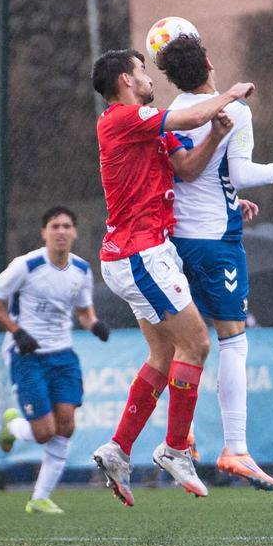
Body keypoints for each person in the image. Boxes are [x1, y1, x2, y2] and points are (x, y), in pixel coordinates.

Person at [88, 47, 254, 506]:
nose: (147, 78)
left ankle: (119, 448)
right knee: (198, 344)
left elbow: (187, 167)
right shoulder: (122, 117)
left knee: (163, 354)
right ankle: (176, 448)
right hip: (142, 254)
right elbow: (185, 118)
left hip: (136, 254)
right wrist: (229, 97)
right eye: (141, 71)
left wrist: (216, 138)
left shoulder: (140, 124)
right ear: (125, 79)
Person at [156, 32, 273, 490]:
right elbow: (242, 174)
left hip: (170, 243)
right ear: (209, 62)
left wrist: (231, 200)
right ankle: (235, 449)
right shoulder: (234, 112)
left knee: (175, 344)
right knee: (232, 341)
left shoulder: (166, 117)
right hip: (214, 242)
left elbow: (189, 176)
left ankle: (182, 435)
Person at [0, 206, 110, 514]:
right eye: (55, 226)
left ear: (75, 232)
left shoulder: (81, 270)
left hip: (63, 355)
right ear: (44, 233)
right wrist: (17, 331)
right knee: (44, 432)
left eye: (67, 226)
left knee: (66, 425)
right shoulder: (26, 265)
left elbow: (83, 311)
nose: (61, 231)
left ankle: (40, 498)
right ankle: (13, 426)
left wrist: (94, 325)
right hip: (27, 355)